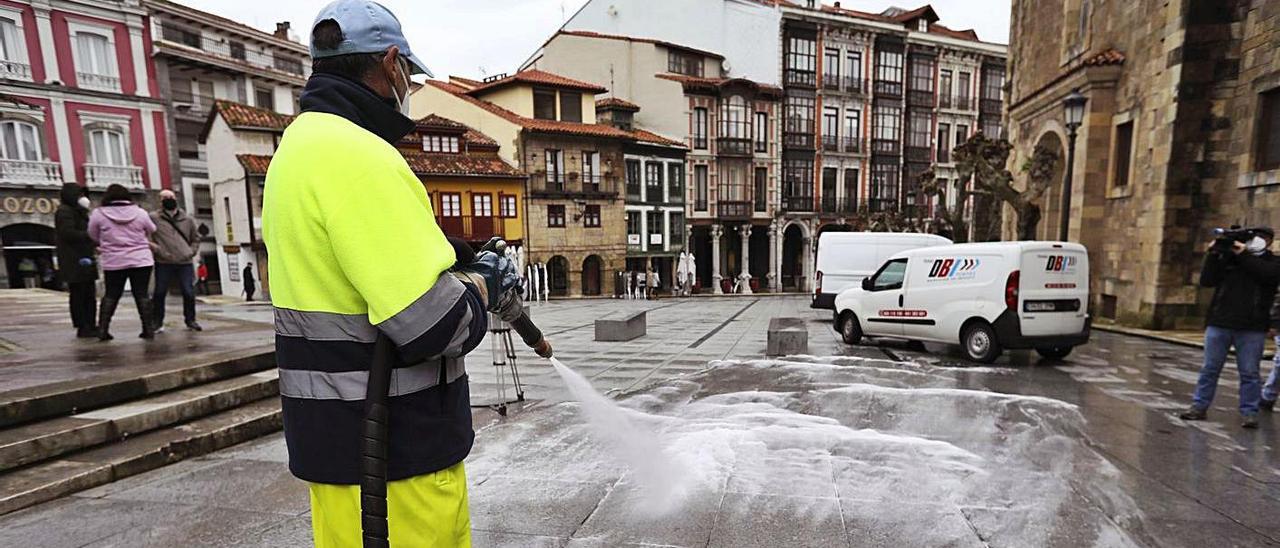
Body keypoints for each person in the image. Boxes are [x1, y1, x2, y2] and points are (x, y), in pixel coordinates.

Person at [262, 3, 523, 546]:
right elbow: (433, 327)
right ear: (389, 63)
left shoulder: (299, 148)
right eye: (410, 73)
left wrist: (446, 252)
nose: (410, 87)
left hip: (336, 451)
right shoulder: (360, 156)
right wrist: (484, 285)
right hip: (395, 460)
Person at [1179, 227, 1279, 428]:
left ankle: (1249, 412)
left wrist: (1243, 255)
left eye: (1264, 238)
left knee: (1250, 372)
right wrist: (1214, 254)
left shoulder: (1272, 262)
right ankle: (1199, 406)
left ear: (1268, 242)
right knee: (1210, 368)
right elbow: (1207, 280)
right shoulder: (1229, 258)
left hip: (1252, 326)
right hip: (1220, 322)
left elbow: (1268, 276)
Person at [88, 184, 157, 341]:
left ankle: (103, 330)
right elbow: (152, 229)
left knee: (111, 295)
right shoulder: (140, 213)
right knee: (142, 294)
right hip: (141, 259)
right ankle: (148, 329)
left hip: (114, 260)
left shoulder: (98, 214)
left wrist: (107, 242)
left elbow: (92, 234)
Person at [150, 189, 202, 332]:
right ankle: (157, 322)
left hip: (184, 262)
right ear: (159, 201)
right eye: (165, 197)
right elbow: (146, 236)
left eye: (171, 196)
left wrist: (191, 252)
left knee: (188, 292)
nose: (168, 199)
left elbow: (195, 238)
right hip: (163, 261)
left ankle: (190, 320)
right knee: (159, 293)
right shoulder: (153, 218)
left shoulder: (188, 219)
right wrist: (156, 249)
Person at [55, 183, 98, 338]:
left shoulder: (80, 212)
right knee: (79, 294)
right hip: (74, 259)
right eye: (80, 195)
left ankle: (91, 323)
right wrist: (89, 235)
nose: (83, 199)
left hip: (84, 257)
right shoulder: (64, 212)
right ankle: (83, 325)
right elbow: (67, 233)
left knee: (89, 294)